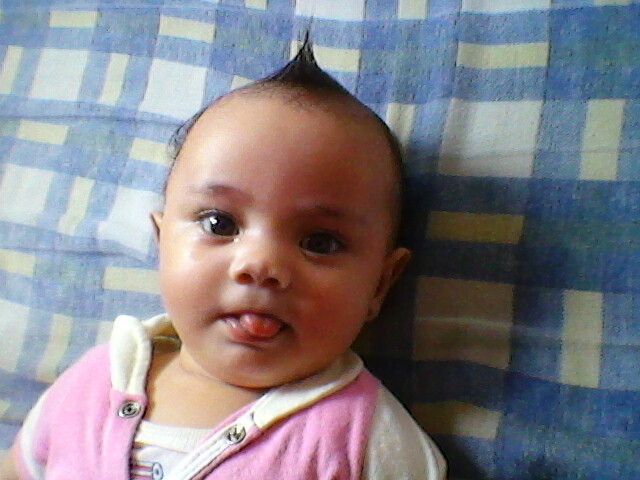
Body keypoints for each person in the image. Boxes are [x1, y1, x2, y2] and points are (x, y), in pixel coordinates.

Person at [2, 36, 446, 479]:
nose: (261, 265)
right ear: (162, 244)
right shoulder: (94, 381)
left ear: (380, 285)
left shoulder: (366, 437)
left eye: (320, 242)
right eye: (220, 224)